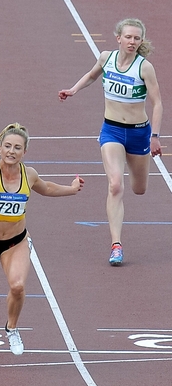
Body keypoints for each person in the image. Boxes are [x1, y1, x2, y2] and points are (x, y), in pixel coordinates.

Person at [0, 88, 83, 355]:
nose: (11, 152)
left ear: (24, 152)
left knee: (18, 285)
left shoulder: (29, 174)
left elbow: (45, 187)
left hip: (16, 241)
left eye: (17, 148)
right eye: (7, 146)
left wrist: (71, 189)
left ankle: (12, 328)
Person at [59, 18, 163, 265]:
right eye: (128, 37)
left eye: (137, 38)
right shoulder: (106, 58)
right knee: (115, 185)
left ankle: (132, 163)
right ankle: (116, 245)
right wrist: (74, 89)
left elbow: (157, 102)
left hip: (138, 132)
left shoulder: (144, 67)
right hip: (112, 131)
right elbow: (93, 75)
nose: (132, 42)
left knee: (139, 189)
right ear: (118, 37)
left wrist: (155, 136)